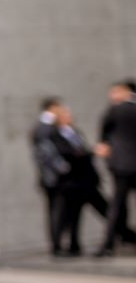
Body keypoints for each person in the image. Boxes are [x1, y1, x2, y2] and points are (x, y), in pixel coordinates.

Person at [49, 105, 99, 256]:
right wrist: (89, 152)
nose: (70, 117)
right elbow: (67, 153)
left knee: (77, 214)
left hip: (83, 180)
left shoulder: (76, 132)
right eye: (66, 114)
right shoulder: (56, 135)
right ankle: (57, 246)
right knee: (62, 215)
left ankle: (74, 244)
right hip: (68, 182)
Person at [95, 81, 136, 257]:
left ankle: (108, 244)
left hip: (121, 165)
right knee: (119, 205)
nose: (112, 97)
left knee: (118, 205)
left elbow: (103, 137)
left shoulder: (115, 110)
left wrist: (104, 145)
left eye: (115, 92)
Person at [32, 97, 69, 255]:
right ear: (53, 107)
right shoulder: (46, 127)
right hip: (53, 178)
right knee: (56, 211)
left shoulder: (43, 127)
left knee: (55, 211)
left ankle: (57, 245)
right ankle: (56, 246)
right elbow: (46, 153)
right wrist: (63, 167)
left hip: (49, 177)